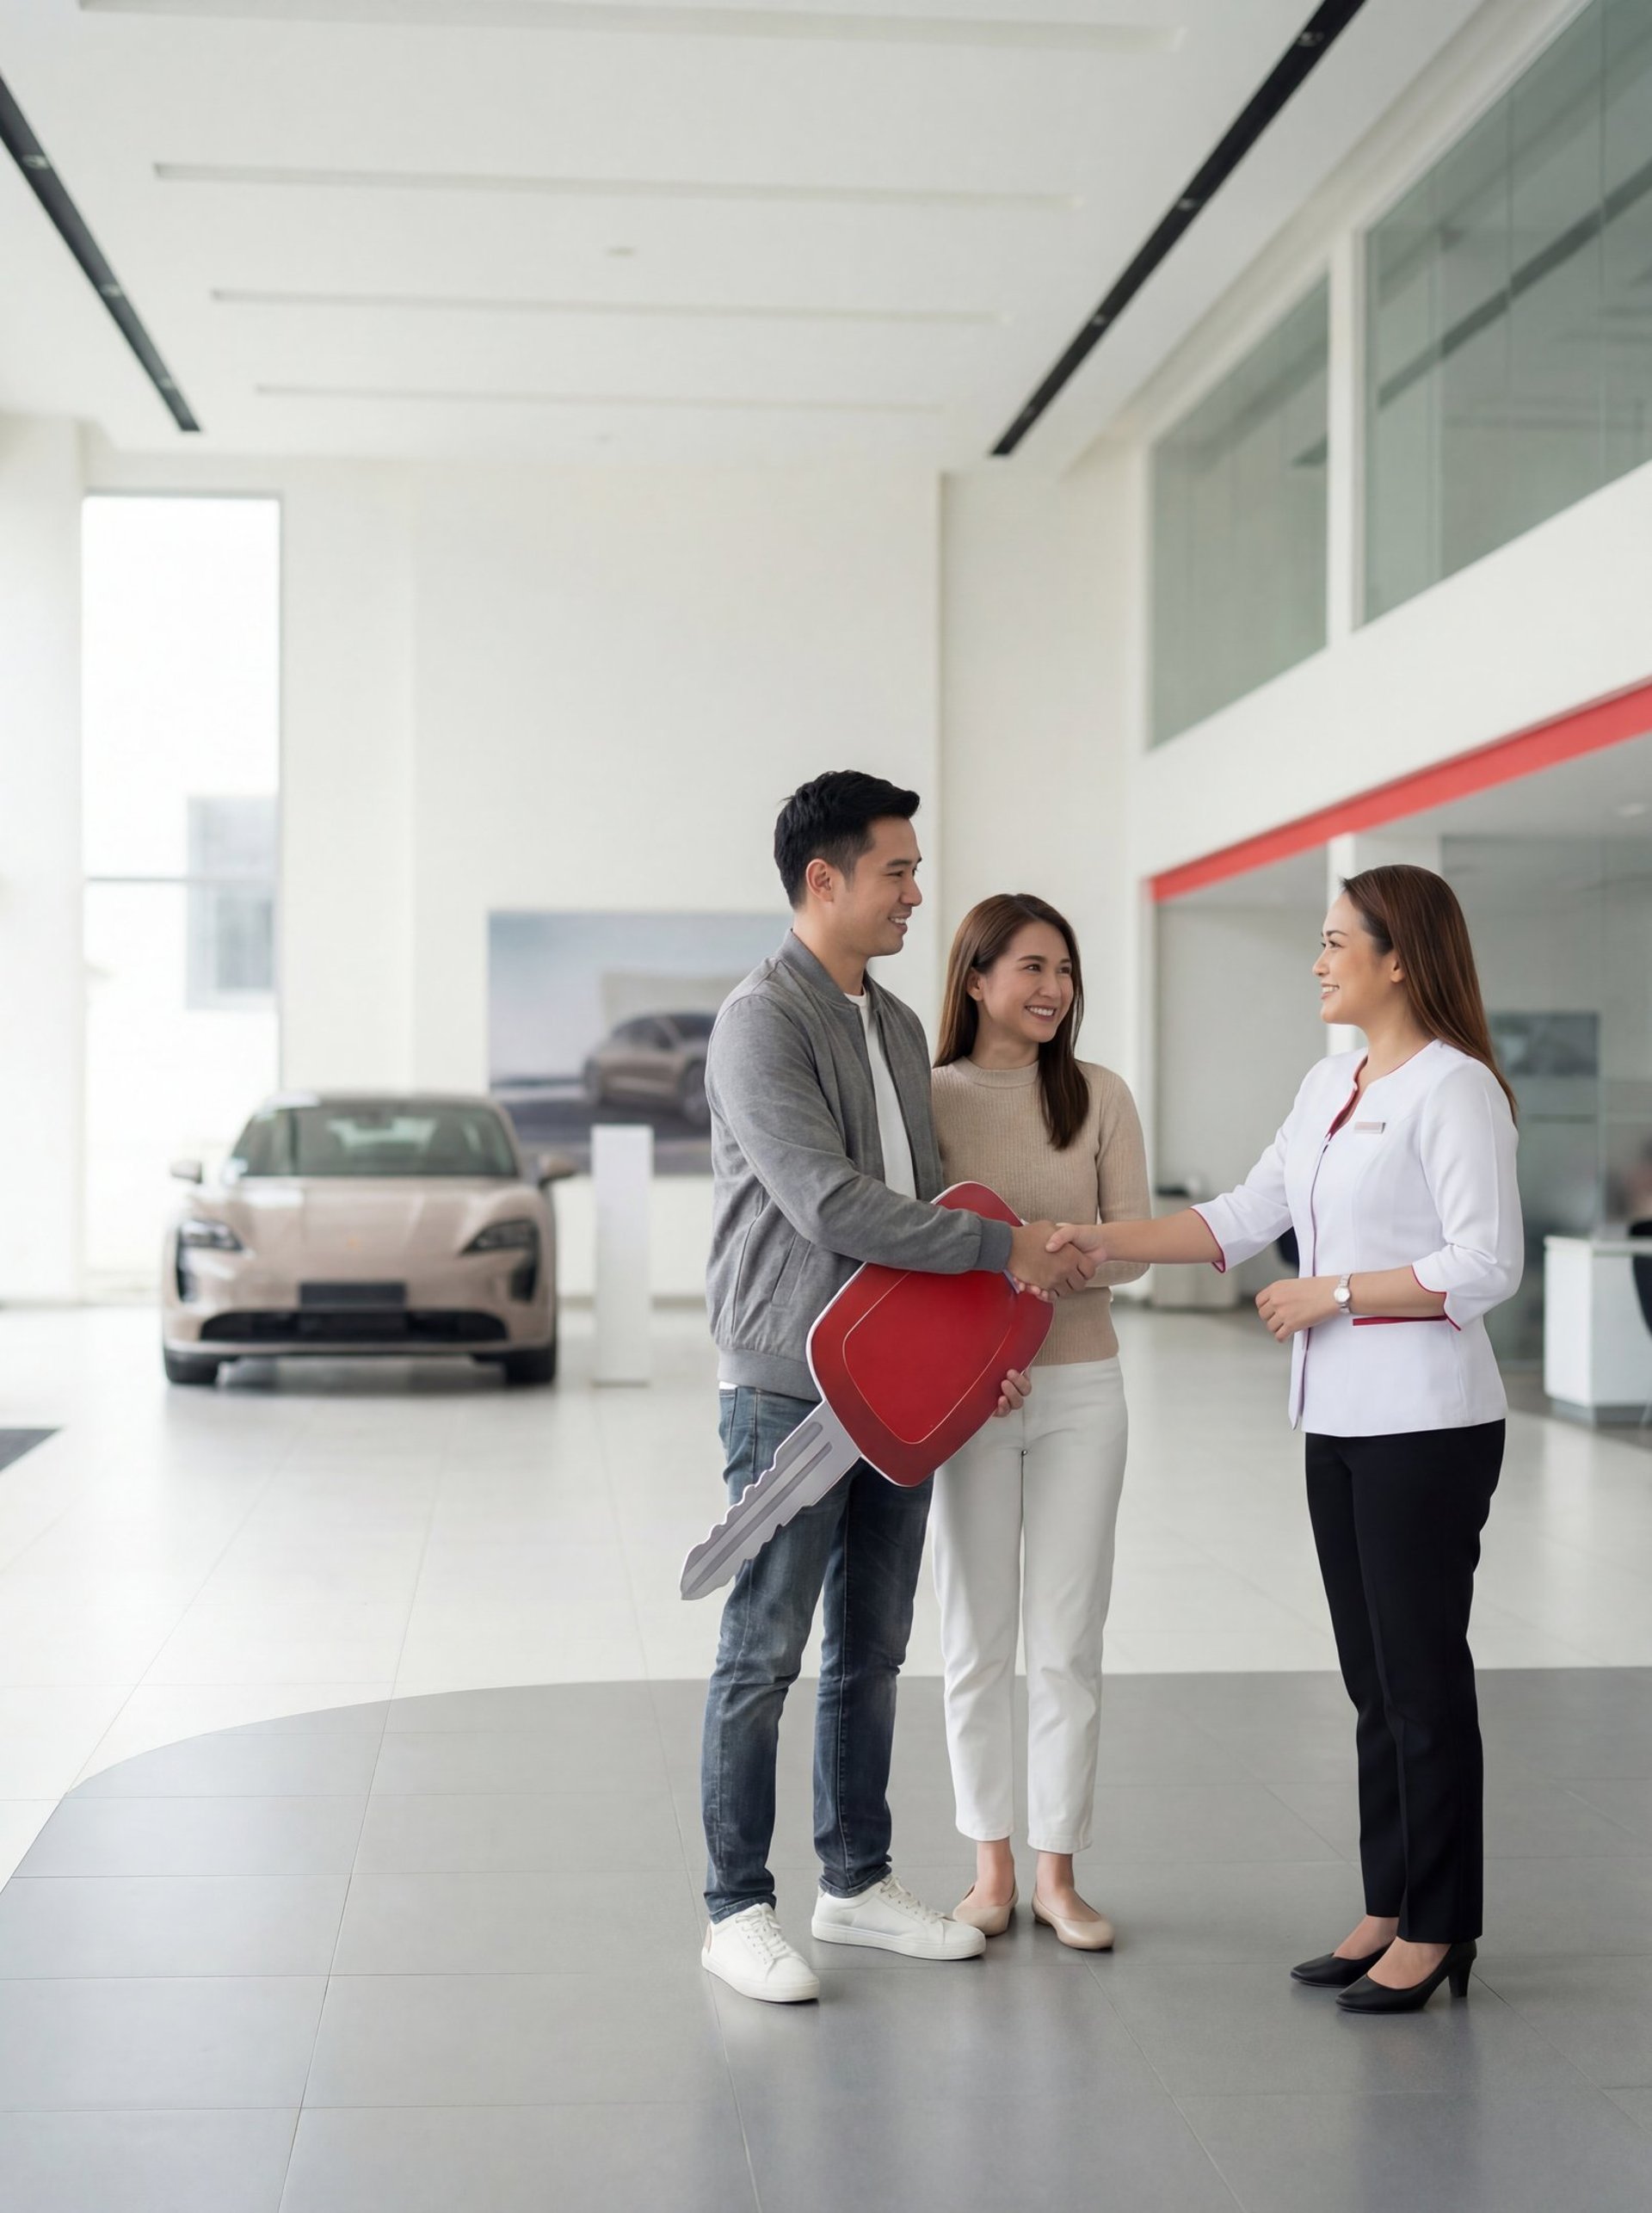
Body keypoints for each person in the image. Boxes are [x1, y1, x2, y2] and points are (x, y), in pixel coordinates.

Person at [1046, 866, 1521, 2013]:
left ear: (1398, 958)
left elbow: (1487, 1263)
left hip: (1429, 1426)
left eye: (1335, 942)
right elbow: (1241, 1215)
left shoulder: (1456, 1091)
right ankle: (1388, 1902)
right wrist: (1093, 1243)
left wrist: (1336, 1293)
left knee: (1422, 1678)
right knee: (1372, 1682)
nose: (1317, 962)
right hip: (1339, 1422)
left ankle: (1443, 1926)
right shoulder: (1330, 1085)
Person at [698, 772, 1095, 2005]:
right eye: (899, 872)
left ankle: (856, 1881)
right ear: (825, 880)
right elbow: (825, 1200)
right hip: (790, 1384)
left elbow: (918, 1195)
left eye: (917, 873)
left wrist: (974, 1353)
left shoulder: (889, 1024)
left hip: (903, 1383)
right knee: (764, 1649)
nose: (918, 893)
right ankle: (736, 1909)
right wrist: (1003, 1248)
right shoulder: (761, 1021)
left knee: (872, 1645)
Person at [928, 894, 1150, 1951]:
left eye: (1064, 968)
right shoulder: (927, 1098)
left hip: (1080, 1389)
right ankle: (990, 1868)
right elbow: (919, 1255)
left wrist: (1041, 1248)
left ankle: (1059, 1874)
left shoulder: (1100, 1095)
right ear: (975, 978)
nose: (1055, 987)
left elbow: (1139, 1246)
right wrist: (1019, 1283)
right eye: (1030, 966)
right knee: (976, 1636)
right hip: (972, 1395)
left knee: (1067, 1639)